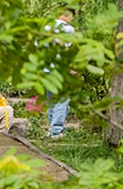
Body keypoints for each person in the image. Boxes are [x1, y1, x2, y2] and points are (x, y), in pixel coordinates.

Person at [46, 7, 76, 138]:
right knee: (62, 99)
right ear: (68, 16)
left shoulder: (45, 27)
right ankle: (56, 130)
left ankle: (52, 128)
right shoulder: (68, 29)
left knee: (51, 99)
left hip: (45, 69)